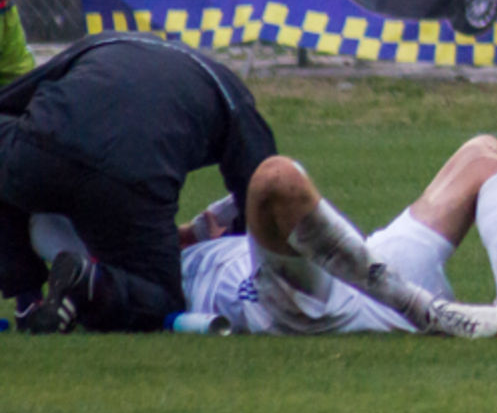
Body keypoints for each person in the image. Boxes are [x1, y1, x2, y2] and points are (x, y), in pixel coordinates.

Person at [168, 135, 497, 336]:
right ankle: (423, 309)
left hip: (358, 266)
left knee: (489, 154)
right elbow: (124, 302)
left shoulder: (153, 237)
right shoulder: (115, 270)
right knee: (277, 176)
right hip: (291, 302)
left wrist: (200, 229)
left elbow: (165, 239)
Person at [0, 34, 287, 333]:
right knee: (161, 299)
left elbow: (9, 101)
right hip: (130, 181)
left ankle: (29, 304)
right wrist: (234, 243)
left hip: (42, 150)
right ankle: (92, 282)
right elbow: (264, 185)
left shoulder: (105, 42)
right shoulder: (231, 94)